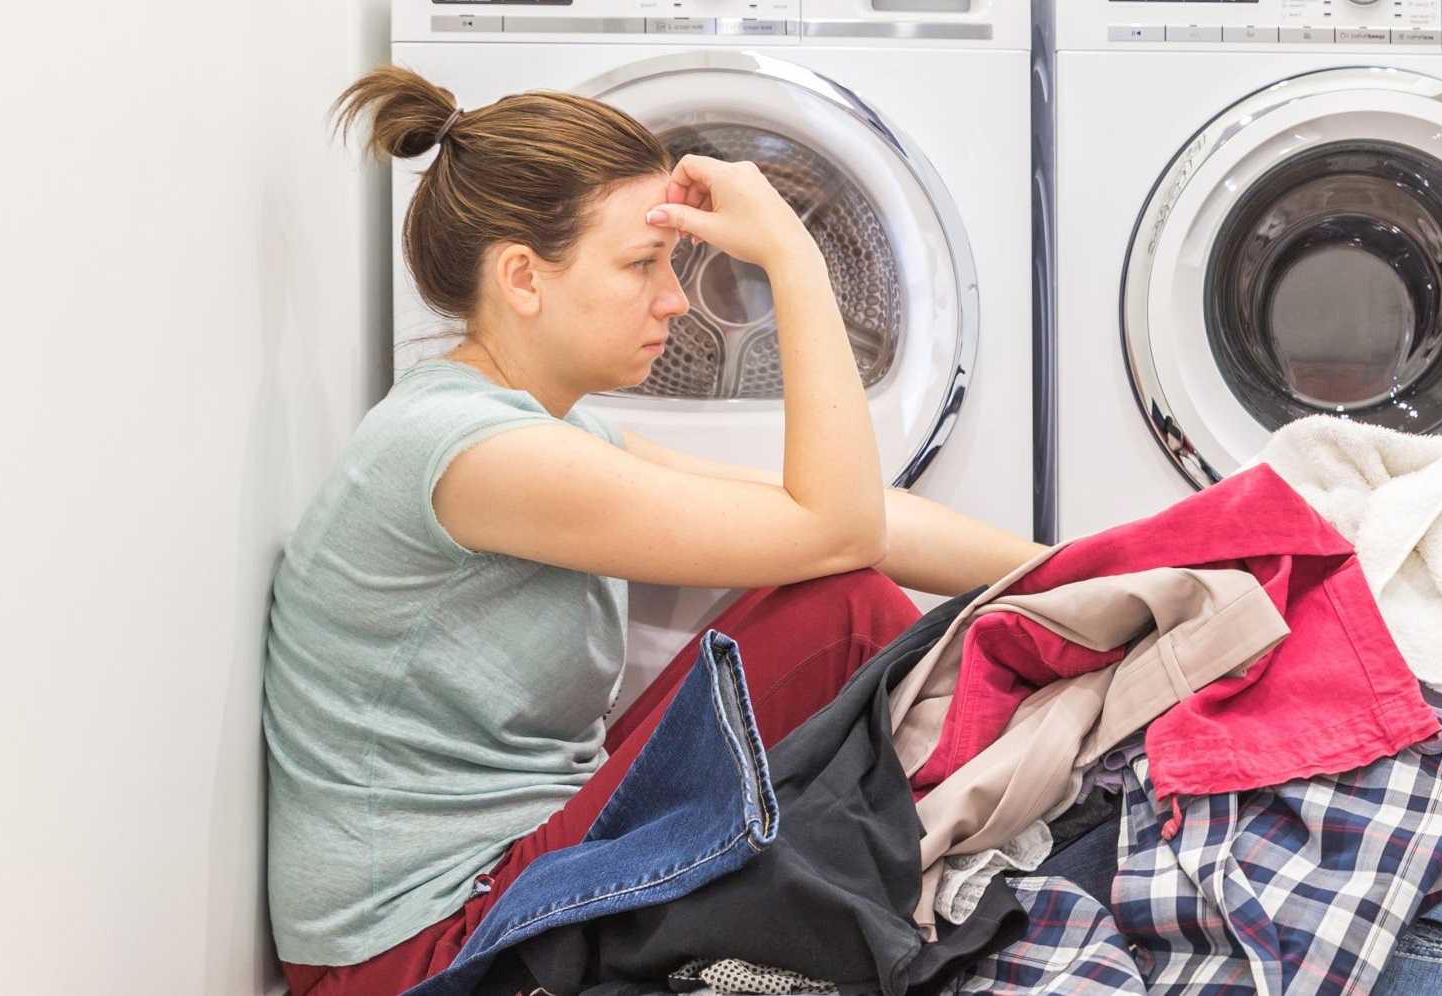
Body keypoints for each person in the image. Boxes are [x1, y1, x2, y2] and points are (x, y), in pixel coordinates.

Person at [263, 65, 1045, 996]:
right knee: (843, 607)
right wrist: (792, 257)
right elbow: (836, 530)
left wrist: (1087, 569)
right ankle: (1019, 832)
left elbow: (866, 525)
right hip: (424, 951)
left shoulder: (549, 432)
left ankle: (993, 825)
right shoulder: (473, 454)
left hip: (502, 873)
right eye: (643, 264)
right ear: (522, 278)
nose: (676, 300)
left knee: (845, 601)